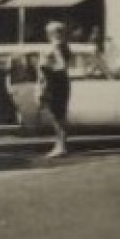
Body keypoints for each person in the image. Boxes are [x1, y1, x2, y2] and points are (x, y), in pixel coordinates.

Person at [38, 22, 74, 159]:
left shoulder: (53, 48)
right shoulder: (64, 47)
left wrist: (44, 87)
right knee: (60, 115)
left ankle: (61, 146)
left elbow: (55, 67)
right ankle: (61, 144)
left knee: (57, 116)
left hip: (54, 82)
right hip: (61, 81)